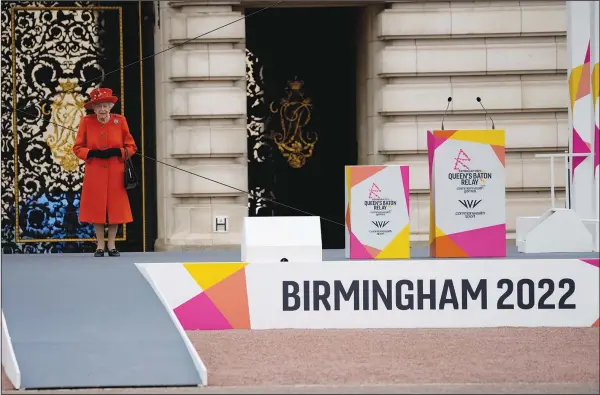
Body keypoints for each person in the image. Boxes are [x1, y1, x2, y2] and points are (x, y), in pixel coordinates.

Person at [73, 87, 137, 257]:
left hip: (116, 171)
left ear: (110, 106)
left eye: (105, 106)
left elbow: (131, 146)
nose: (102, 109)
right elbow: (77, 148)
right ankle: (100, 246)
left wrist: (119, 152)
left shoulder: (120, 121)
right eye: (98, 106)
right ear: (93, 108)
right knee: (97, 209)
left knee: (115, 210)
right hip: (95, 172)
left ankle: (112, 245)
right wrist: (91, 153)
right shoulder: (86, 122)